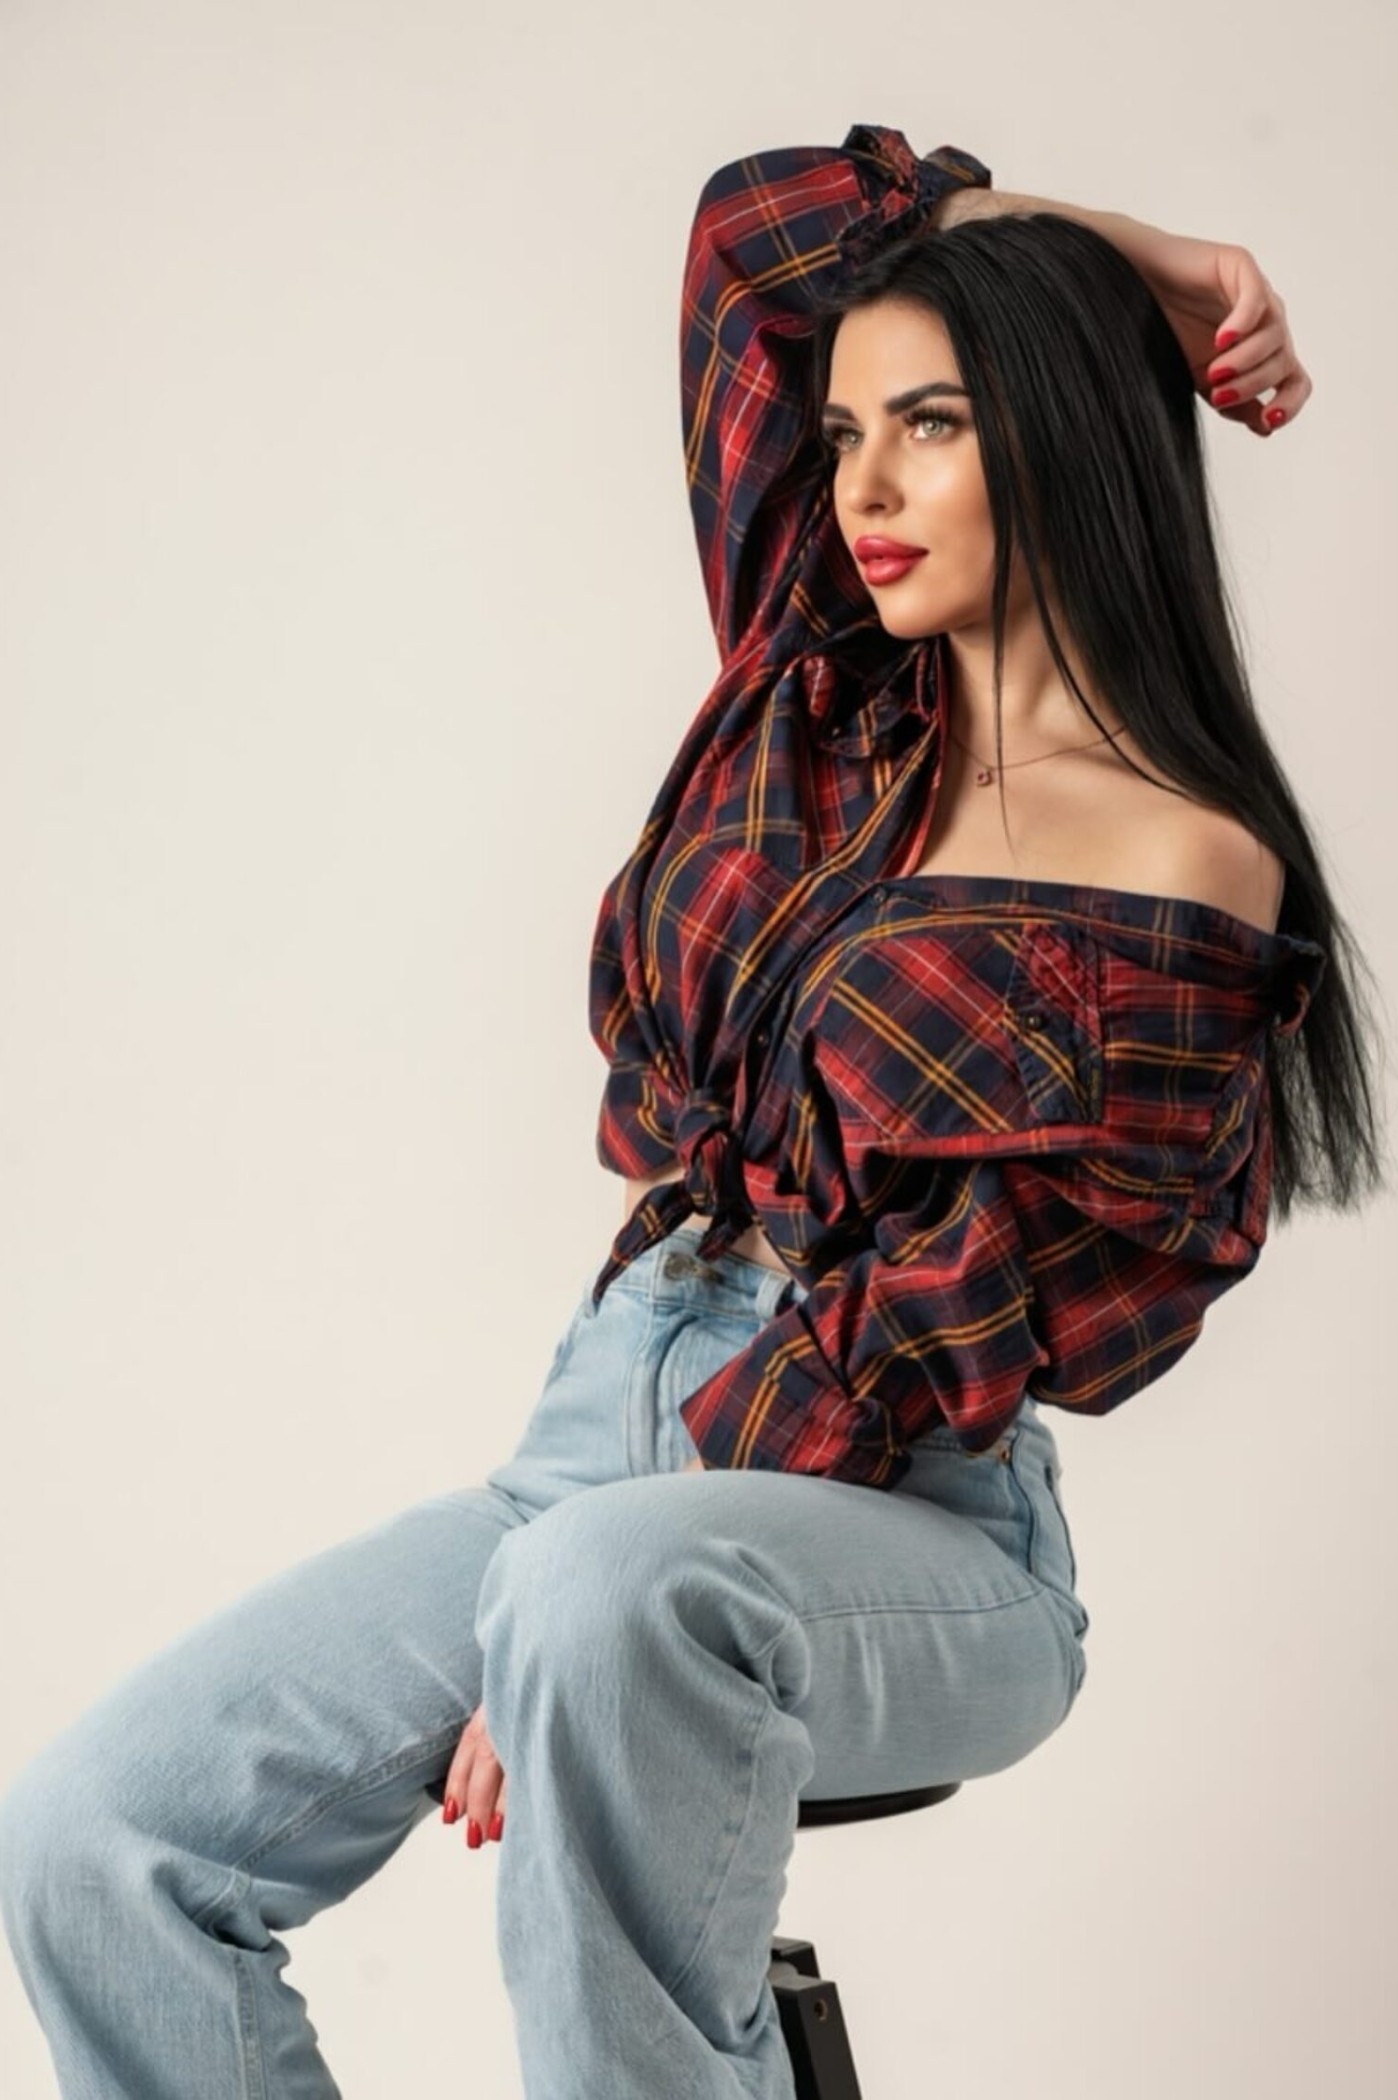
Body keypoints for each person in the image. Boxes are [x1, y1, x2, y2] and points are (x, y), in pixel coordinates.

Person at [0, 123, 1385, 2100]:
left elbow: (952, 1317)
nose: (866, 490)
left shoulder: (1180, 865)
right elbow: (756, 232)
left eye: (931, 426)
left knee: (595, 1600)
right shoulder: (815, 694)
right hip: (590, 1455)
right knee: (99, 1849)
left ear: (1068, 433)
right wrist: (1144, 253)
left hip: (905, 1523)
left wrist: (580, 1628)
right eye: (843, 436)